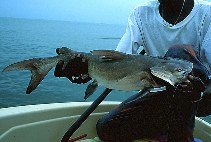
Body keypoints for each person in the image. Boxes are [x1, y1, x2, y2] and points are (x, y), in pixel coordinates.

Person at [54, 0, 211, 141]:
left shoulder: (206, 13)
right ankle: (167, 129)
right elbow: (119, 61)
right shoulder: (141, 13)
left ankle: (181, 137)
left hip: (201, 95)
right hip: (162, 93)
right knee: (107, 128)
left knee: (178, 53)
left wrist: (197, 90)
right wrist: (85, 69)